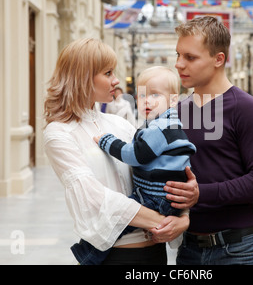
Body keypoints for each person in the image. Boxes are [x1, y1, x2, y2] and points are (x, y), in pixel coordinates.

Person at [43, 38, 199, 265]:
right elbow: (96, 199)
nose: (116, 81)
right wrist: (164, 221)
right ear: (83, 77)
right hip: (114, 257)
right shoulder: (59, 134)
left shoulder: (121, 125)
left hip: (156, 254)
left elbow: (160, 176)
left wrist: (184, 215)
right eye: (107, 73)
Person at [174, 15, 253, 265]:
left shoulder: (246, 109)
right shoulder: (178, 111)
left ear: (219, 59)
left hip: (237, 250)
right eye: (177, 55)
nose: (178, 64)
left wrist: (201, 194)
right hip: (189, 249)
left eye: (190, 57)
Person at [89, 66, 197, 265]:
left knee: (114, 225)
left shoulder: (162, 128)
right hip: (162, 196)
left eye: (155, 94)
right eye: (141, 95)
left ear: (173, 100)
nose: (146, 100)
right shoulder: (161, 124)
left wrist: (108, 142)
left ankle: (85, 256)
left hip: (156, 197)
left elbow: (135, 154)